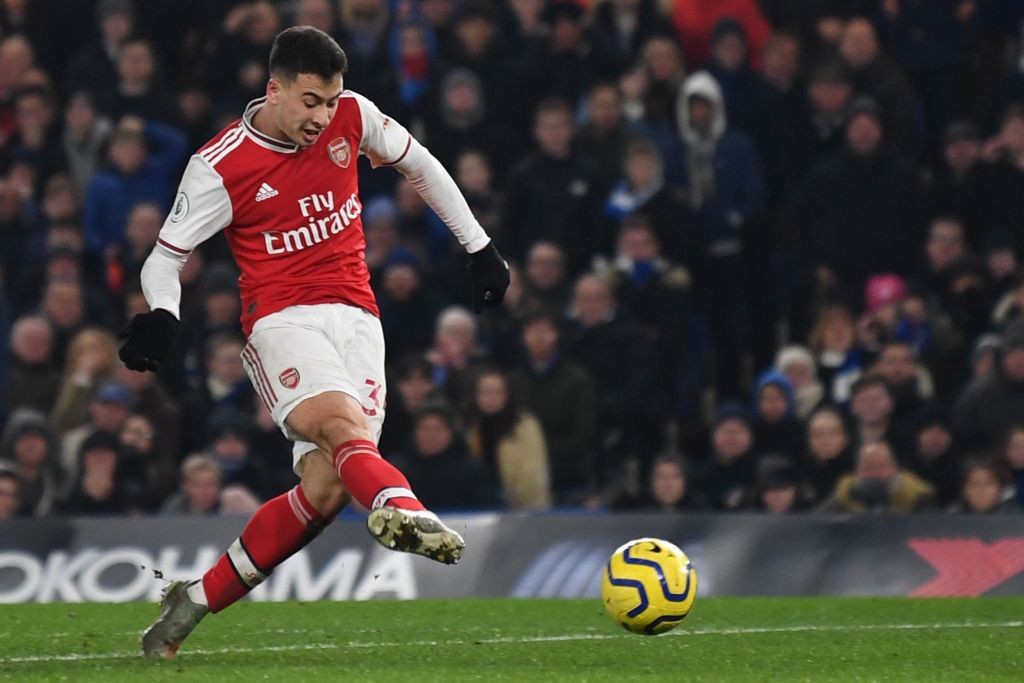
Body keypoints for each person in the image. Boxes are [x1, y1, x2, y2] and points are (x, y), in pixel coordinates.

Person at [117, 27, 509, 658]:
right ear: (274, 90)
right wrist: (165, 313)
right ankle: (402, 506)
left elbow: (421, 164)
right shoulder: (221, 165)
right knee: (339, 427)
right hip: (282, 321)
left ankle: (192, 601)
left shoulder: (353, 116)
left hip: (358, 318)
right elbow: (165, 258)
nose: (321, 117)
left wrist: (480, 247)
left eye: (329, 102)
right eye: (309, 102)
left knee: (326, 492)